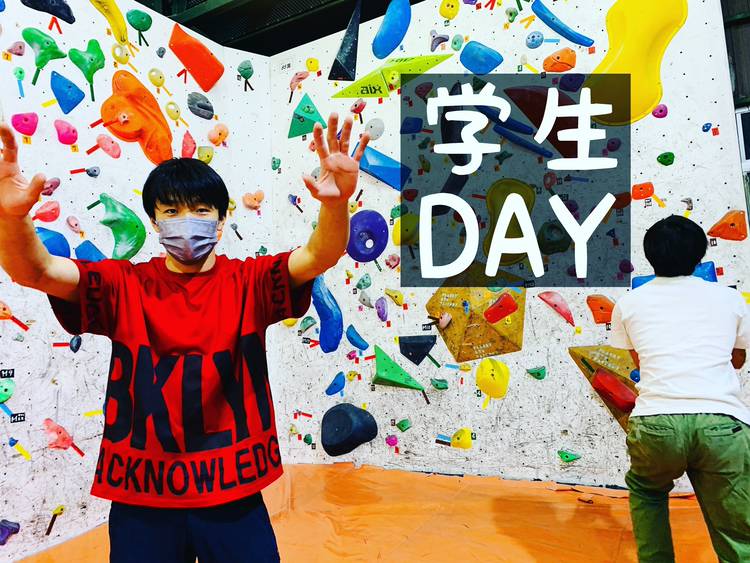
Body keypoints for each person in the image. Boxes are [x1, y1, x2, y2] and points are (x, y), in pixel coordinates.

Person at [0, 113, 369, 563]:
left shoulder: (249, 281)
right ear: (155, 223)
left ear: (221, 220)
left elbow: (317, 255)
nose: (186, 221)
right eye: (171, 211)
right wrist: (11, 217)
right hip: (142, 495)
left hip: (233, 491)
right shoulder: (123, 285)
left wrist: (336, 205)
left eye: (200, 210)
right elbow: (36, 271)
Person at [609, 215, 750, 563]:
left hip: (656, 422)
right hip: (722, 422)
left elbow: (640, 361)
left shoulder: (629, 303)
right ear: (700, 254)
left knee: (648, 493)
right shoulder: (730, 299)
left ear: (650, 255)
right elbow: (737, 359)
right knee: (736, 526)